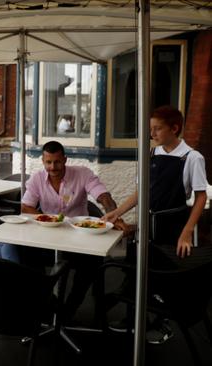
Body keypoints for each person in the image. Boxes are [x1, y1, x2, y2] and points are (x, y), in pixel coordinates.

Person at [102, 105, 208, 344]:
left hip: (173, 225)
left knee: (164, 277)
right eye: (151, 128)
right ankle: (133, 317)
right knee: (139, 270)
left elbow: (201, 197)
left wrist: (187, 232)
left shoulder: (192, 157)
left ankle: (163, 323)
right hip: (148, 225)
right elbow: (142, 192)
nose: (152, 133)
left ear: (174, 128)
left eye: (157, 128)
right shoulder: (151, 153)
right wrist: (117, 212)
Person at [21, 140, 127, 321]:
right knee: (23, 254)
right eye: (48, 162)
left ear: (65, 159)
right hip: (47, 237)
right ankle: (48, 301)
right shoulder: (37, 178)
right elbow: (26, 207)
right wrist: (47, 219)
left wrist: (114, 214)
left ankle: (70, 306)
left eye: (57, 162)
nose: (53, 167)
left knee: (93, 262)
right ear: (43, 161)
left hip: (79, 238)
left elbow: (103, 197)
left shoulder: (82, 174)